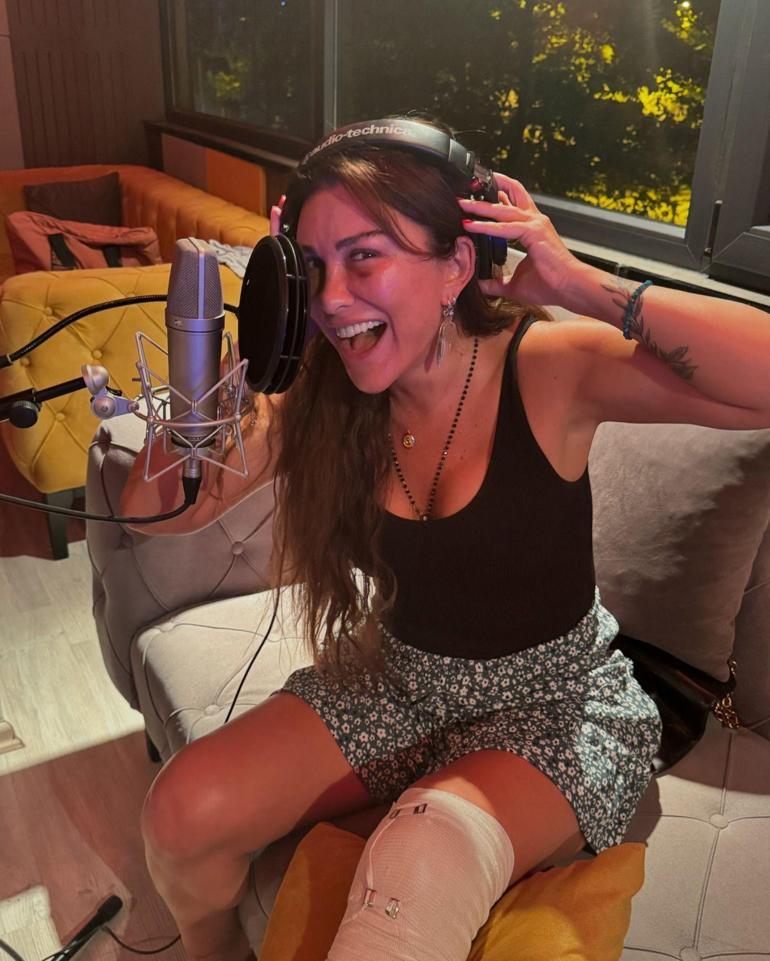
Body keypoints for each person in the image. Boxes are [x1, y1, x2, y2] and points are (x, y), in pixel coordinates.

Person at [122, 116, 770, 961]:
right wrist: (252, 353)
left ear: (458, 264)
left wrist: (579, 284)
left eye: (364, 257)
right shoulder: (321, 397)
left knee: (416, 860)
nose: (333, 298)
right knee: (181, 811)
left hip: (552, 701)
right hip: (396, 678)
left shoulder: (545, 366)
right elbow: (155, 511)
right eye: (313, 268)